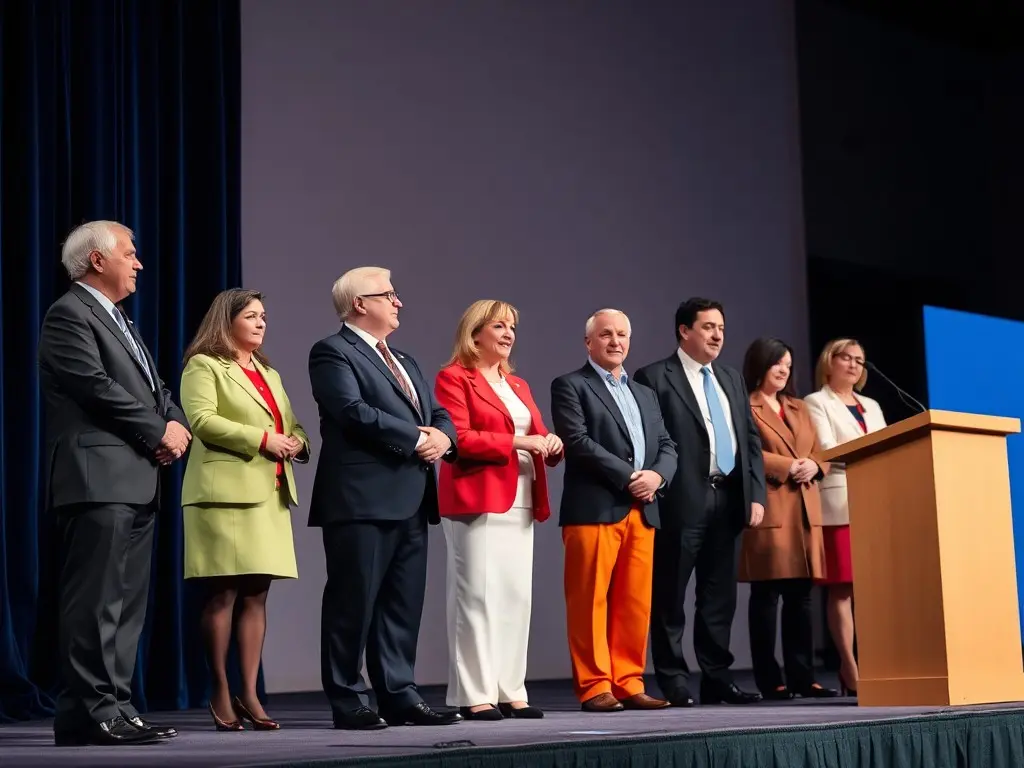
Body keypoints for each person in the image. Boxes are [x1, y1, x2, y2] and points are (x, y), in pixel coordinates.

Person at [38, 220, 189, 746]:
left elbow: (156, 386)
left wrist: (176, 423)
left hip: (136, 477)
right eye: (130, 253)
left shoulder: (119, 318)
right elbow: (94, 386)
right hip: (96, 477)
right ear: (98, 261)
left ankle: (118, 708)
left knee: (127, 602)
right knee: (95, 601)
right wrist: (158, 430)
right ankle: (88, 711)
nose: (139, 263)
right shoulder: (68, 314)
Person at [308, 267, 460, 729]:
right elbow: (353, 412)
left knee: (401, 603)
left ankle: (399, 694)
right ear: (360, 304)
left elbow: (440, 414)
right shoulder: (332, 352)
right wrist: (418, 438)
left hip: (413, 498)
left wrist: (443, 438)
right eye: (388, 295)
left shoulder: (407, 360)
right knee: (352, 603)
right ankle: (349, 699)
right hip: (360, 499)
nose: (398, 302)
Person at [179, 288, 310, 731]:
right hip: (223, 495)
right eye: (251, 316)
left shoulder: (268, 373)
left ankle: (249, 693)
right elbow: (201, 421)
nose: (261, 323)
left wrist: (296, 441)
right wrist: (262, 440)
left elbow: (289, 423)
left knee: (257, 593)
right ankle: (219, 689)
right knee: (223, 593)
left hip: (269, 494)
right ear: (226, 322)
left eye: (264, 316)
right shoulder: (204, 365)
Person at [434, 300, 563, 720]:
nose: (508, 333)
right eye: (498, 326)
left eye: (512, 327)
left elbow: (535, 431)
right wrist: (519, 443)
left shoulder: (518, 384)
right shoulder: (454, 378)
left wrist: (551, 441)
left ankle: (511, 689)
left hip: (521, 498)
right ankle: (474, 694)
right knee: (475, 597)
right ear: (475, 335)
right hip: (476, 499)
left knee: (514, 597)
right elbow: (461, 439)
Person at [634, 297, 766, 707]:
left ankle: (717, 677)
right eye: (708, 327)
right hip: (680, 500)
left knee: (718, 596)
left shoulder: (730, 377)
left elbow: (750, 440)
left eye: (721, 329)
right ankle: (673, 677)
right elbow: (649, 441)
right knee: (670, 594)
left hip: (728, 499)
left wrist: (756, 494)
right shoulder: (654, 376)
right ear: (684, 331)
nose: (717, 335)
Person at [550, 309, 677, 713]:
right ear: (589, 342)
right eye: (606, 334)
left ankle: (628, 680)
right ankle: (594, 686)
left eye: (622, 334)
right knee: (590, 601)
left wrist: (657, 477)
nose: (615, 342)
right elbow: (578, 440)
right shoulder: (571, 385)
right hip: (595, 509)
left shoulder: (644, 392)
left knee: (634, 603)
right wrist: (630, 477)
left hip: (643, 508)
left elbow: (668, 445)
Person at [739, 338, 839, 700]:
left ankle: (803, 678)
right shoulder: (745, 405)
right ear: (760, 365)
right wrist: (787, 465)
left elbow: (821, 451)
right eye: (776, 363)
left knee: (802, 599)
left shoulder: (798, 407)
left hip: (805, 510)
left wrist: (816, 465)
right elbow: (744, 452)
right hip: (771, 505)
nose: (783, 370)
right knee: (765, 596)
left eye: (788, 364)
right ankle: (770, 679)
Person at [804, 338, 886, 696]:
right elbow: (828, 449)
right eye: (847, 358)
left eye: (860, 360)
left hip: (877, 502)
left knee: (874, 590)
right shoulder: (816, 401)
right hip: (840, 502)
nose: (854, 365)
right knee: (842, 589)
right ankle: (848, 665)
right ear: (829, 362)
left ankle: (878, 662)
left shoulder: (871, 404)